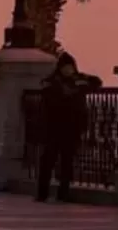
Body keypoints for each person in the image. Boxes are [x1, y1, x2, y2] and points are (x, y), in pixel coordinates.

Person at [35, 52, 95, 203]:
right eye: (65, 67)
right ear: (60, 68)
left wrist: (81, 79)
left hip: (72, 128)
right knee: (48, 161)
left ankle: (63, 193)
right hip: (54, 127)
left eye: (70, 67)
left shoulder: (78, 81)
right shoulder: (52, 82)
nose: (68, 70)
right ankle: (42, 193)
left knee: (67, 162)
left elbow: (96, 83)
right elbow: (48, 97)